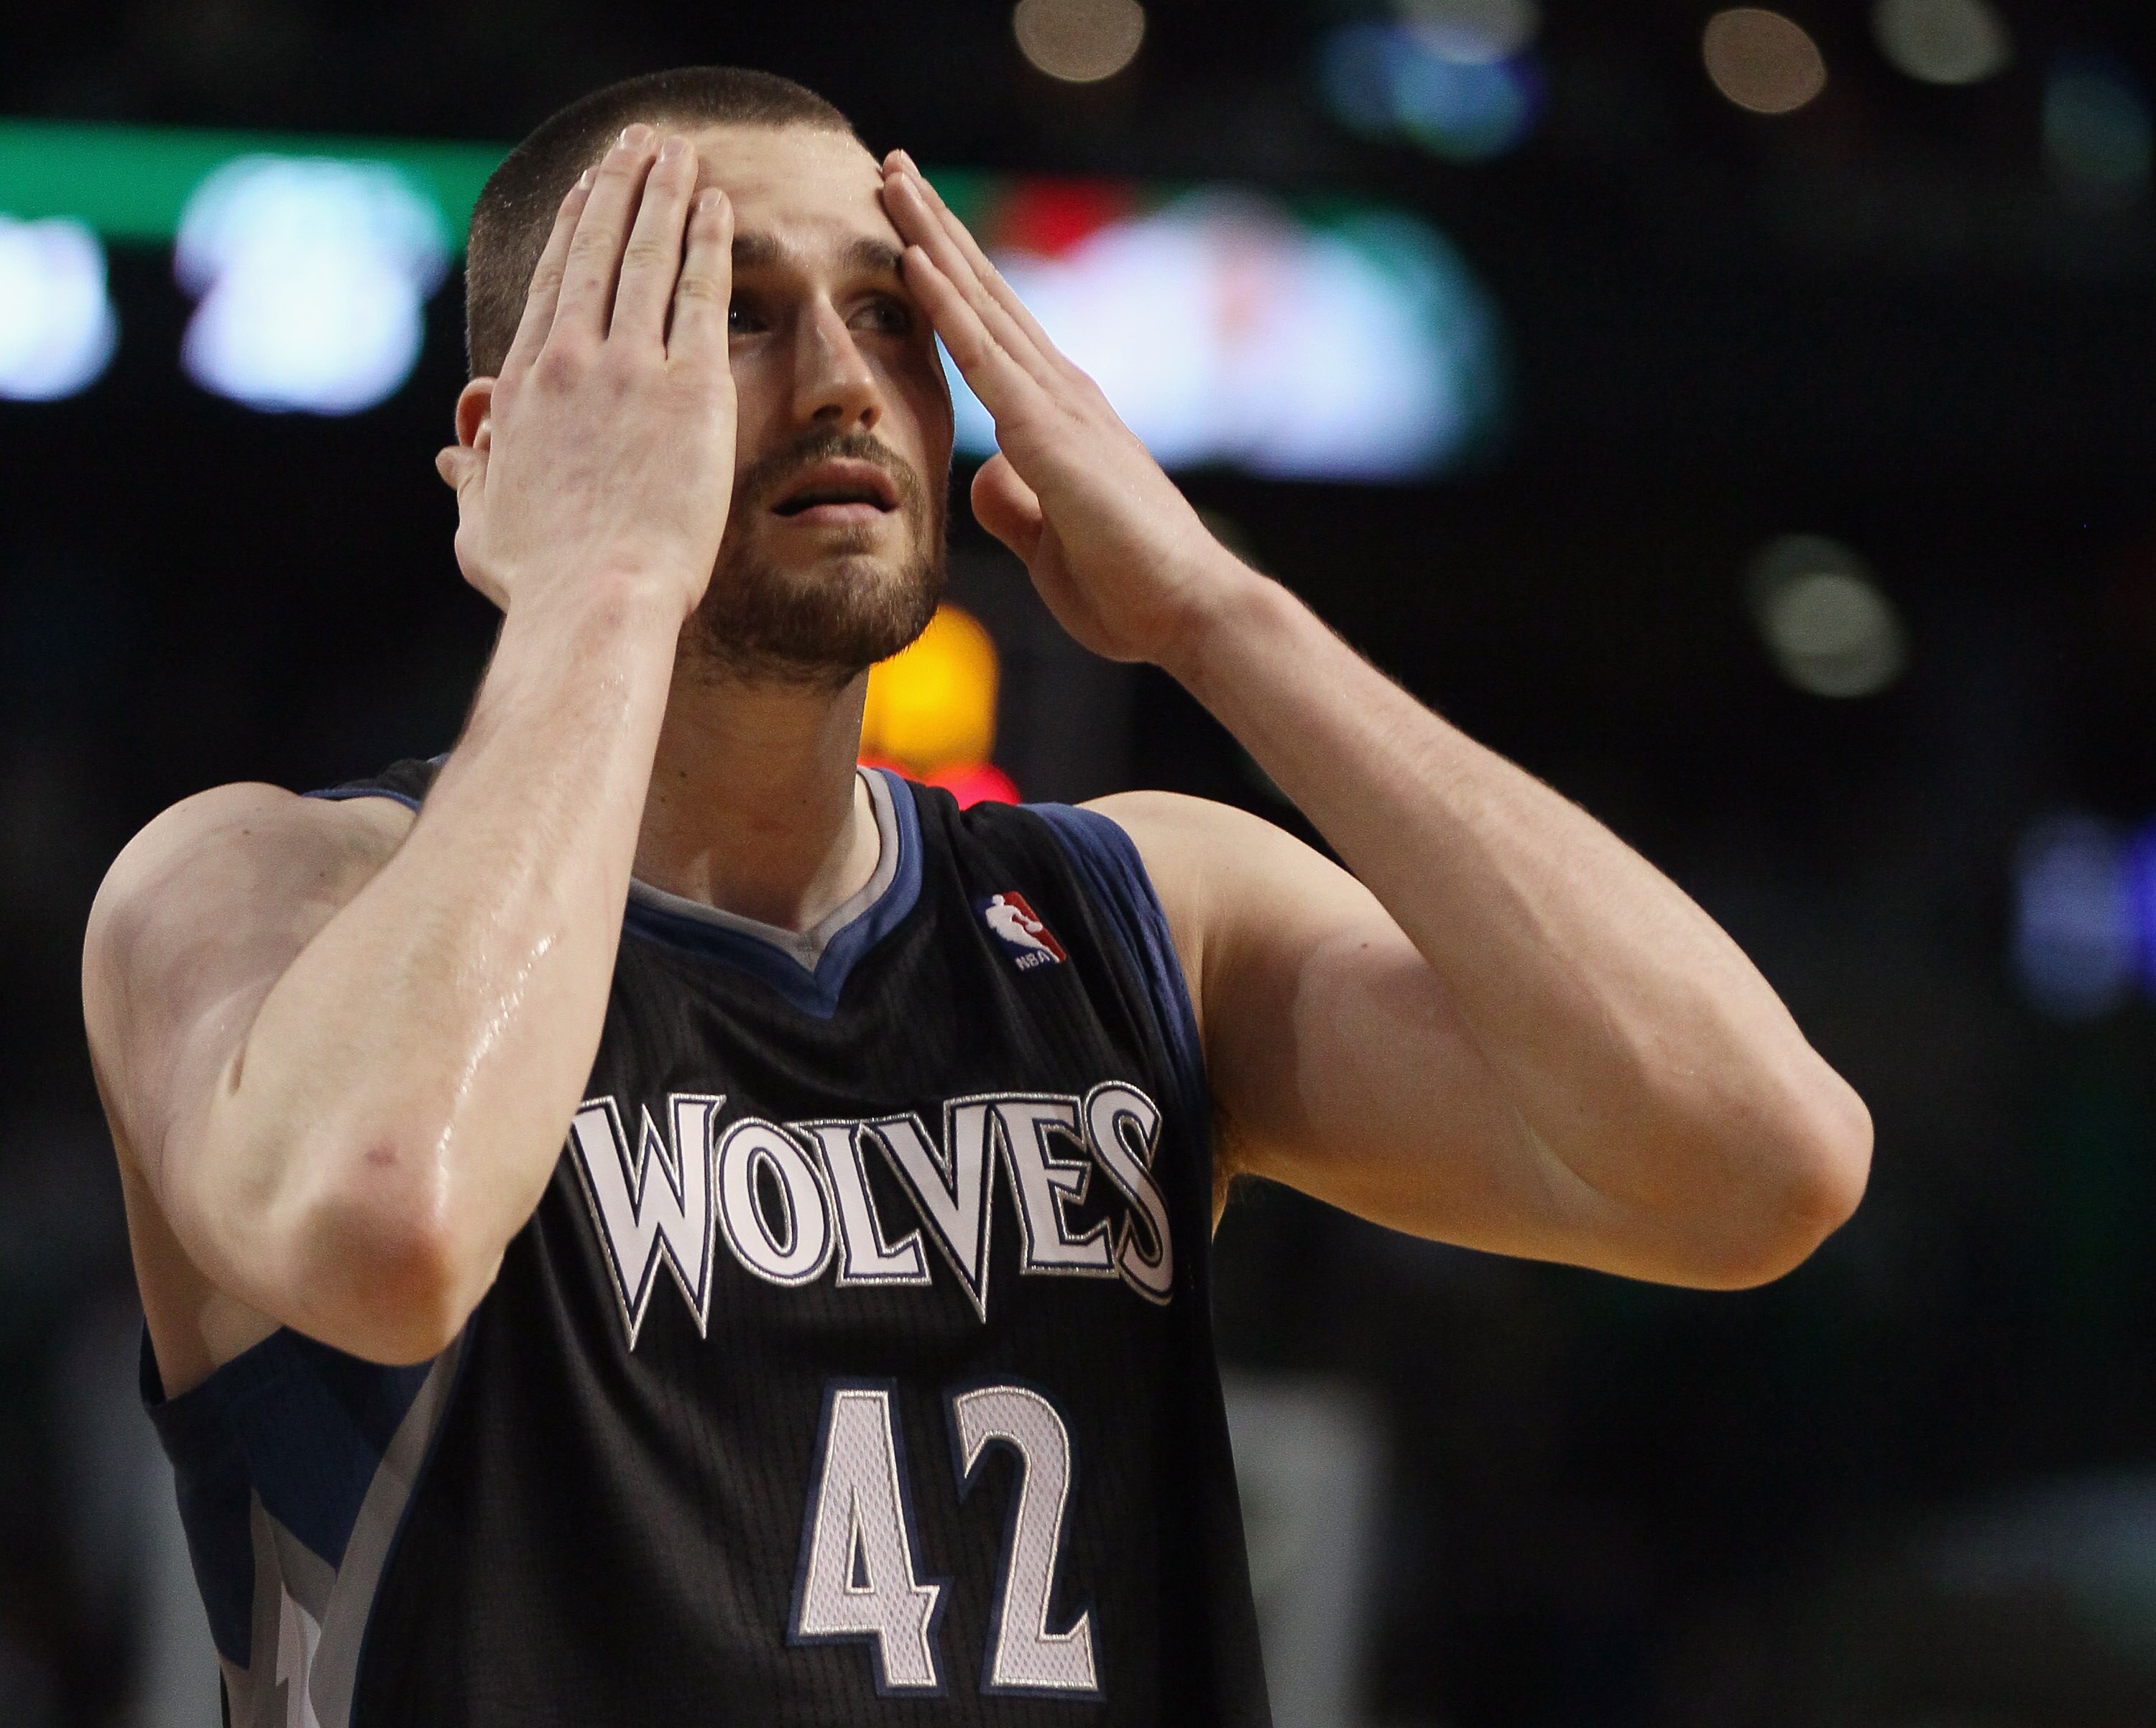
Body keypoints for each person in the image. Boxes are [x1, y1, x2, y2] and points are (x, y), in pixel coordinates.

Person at [80, 67, 1871, 1728]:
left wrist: (1219, 616)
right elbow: (385, 1229)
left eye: (889, 314)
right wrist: (597, 585)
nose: (844, 381)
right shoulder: (258, 883)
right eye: (729, 314)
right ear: (503, 439)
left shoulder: (1142, 914)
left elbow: (1756, 1162)